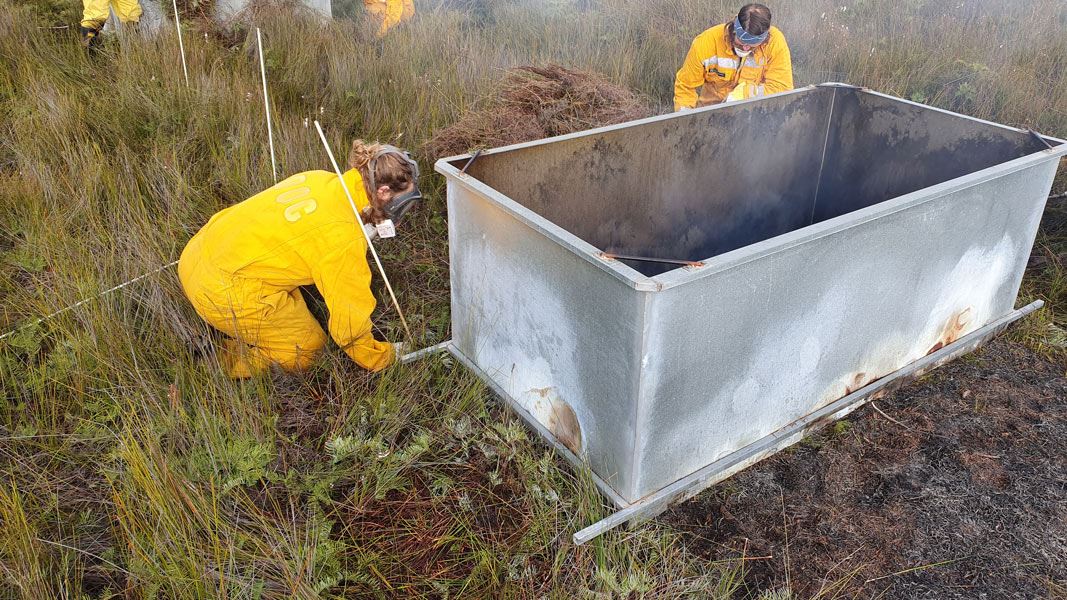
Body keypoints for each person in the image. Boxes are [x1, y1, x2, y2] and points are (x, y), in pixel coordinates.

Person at [178, 141, 422, 378]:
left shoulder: (320, 178)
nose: (400, 215)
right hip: (221, 291)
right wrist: (382, 357)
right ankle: (219, 359)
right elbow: (349, 328)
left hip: (197, 252)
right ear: (383, 192)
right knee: (305, 349)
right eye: (402, 204)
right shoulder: (341, 241)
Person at [674, 3, 793, 111]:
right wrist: (685, 117)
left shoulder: (774, 42)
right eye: (742, 41)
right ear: (734, 29)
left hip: (755, 114)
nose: (746, 48)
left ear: (765, 38)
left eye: (752, 45)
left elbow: (782, 88)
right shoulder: (706, 43)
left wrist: (745, 93)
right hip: (710, 113)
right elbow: (685, 86)